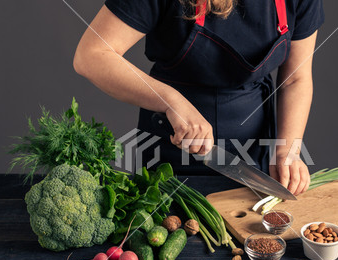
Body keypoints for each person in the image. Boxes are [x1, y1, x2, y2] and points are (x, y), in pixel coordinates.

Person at [73, 0, 324, 196]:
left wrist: (287, 149)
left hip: (256, 161)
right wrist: (172, 101)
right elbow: (91, 55)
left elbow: (295, 79)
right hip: (171, 155)